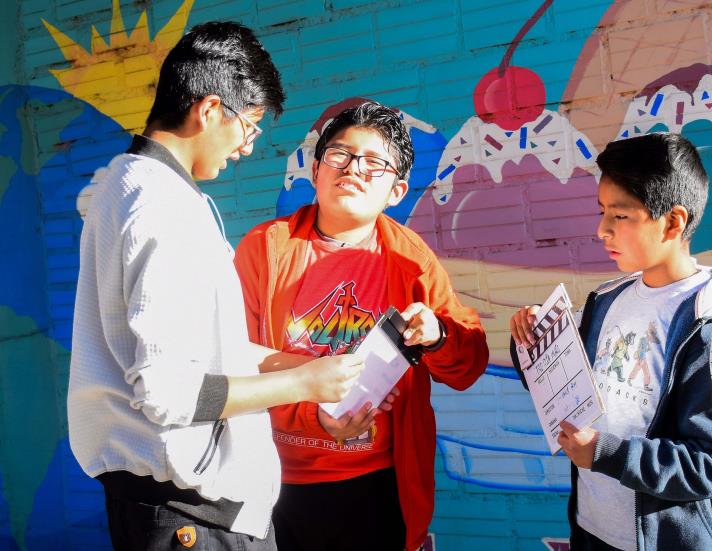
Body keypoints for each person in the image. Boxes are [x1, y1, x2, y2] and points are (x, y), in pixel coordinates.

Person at [68, 21, 366, 551]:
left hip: (174, 510)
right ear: (208, 110)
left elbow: (197, 354)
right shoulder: (161, 206)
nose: (247, 148)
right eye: (249, 127)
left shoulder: (125, 182)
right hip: (192, 519)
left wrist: (297, 366)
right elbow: (169, 391)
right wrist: (306, 386)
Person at [235, 100, 489, 550]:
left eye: (374, 162)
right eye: (339, 155)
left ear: (397, 190)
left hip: (374, 486)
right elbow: (232, 357)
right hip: (273, 481)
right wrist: (315, 409)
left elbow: (467, 365)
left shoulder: (411, 260)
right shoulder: (264, 249)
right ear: (316, 171)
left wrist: (437, 336)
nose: (353, 168)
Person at [510, 133, 712, 550]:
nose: (601, 230)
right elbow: (549, 380)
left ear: (672, 221)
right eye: (601, 212)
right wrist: (531, 336)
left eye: (620, 216)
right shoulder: (605, 302)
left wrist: (605, 453)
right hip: (593, 532)